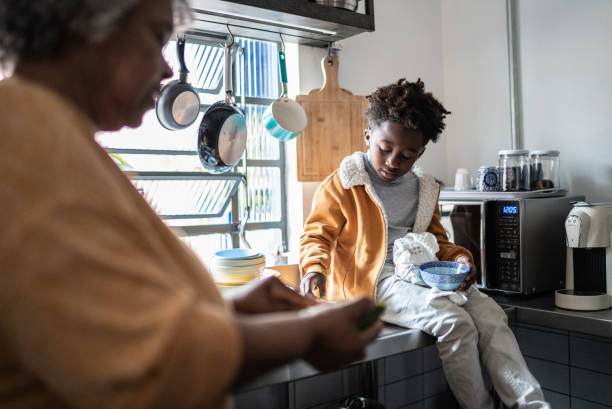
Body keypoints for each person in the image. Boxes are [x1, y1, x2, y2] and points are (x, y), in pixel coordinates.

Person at [0, 1, 382, 408]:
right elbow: (149, 366)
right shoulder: (24, 140)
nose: (167, 71)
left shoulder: (51, 135)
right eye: (154, 37)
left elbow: (87, 327)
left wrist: (227, 307)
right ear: (85, 25)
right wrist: (310, 332)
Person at [299, 79, 550, 409]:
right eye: (385, 148)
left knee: (491, 316)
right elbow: (316, 235)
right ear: (368, 137)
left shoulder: (424, 187)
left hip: (425, 276)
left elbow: (437, 241)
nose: (393, 161)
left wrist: (461, 259)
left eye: (407, 154)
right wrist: (314, 268)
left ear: (421, 151)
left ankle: (532, 405)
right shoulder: (344, 183)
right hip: (375, 281)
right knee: (454, 323)